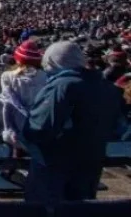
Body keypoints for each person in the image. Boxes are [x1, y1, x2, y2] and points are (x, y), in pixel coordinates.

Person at [23, 41, 126, 204]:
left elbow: (38, 129)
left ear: (52, 62)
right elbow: (118, 127)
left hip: (55, 168)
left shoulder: (61, 86)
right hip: (91, 164)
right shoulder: (108, 88)